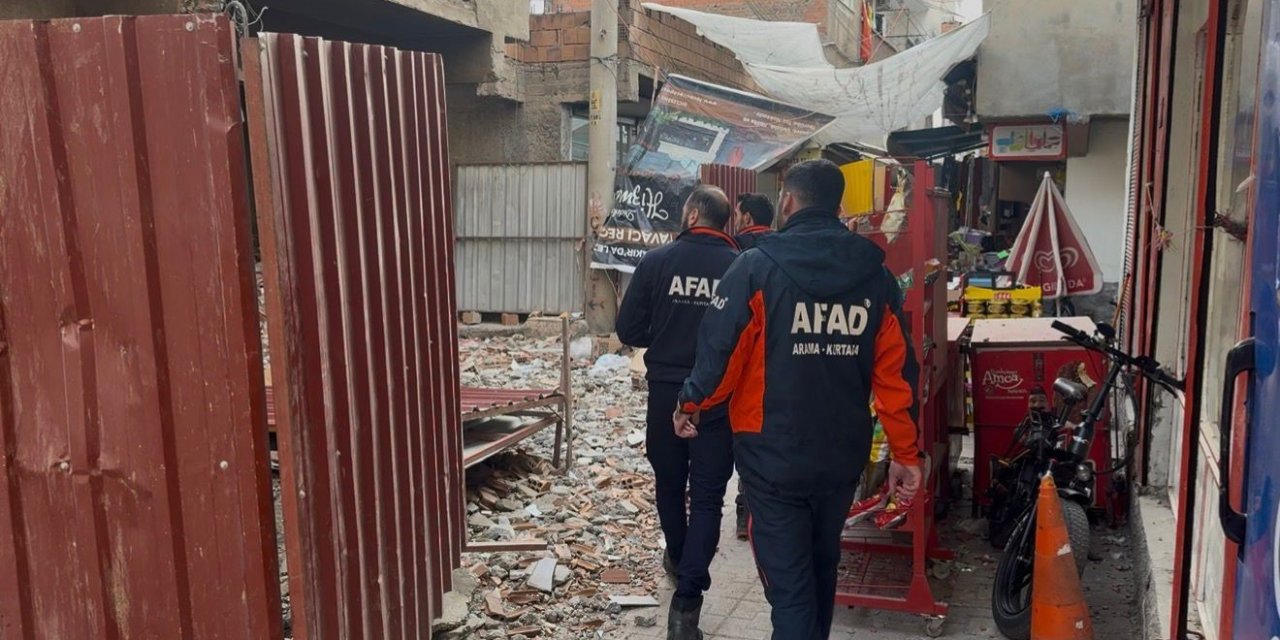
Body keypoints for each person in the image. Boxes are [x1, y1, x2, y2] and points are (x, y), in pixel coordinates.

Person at [673, 160, 924, 640]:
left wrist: (691, 404)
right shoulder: (875, 278)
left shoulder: (755, 268)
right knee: (822, 569)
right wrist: (906, 454)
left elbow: (721, 357)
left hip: (773, 459)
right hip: (840, 457)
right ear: (839, 206)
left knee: (790, 591)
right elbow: (897, 378)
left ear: (787, 201)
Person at [615, 185, 740, 640]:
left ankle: (679, 556)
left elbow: (628, 328)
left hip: (666, 390)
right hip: (718, 398)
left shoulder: (656, 262)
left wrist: (667, 334)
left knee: (669, 484)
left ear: (691, 215)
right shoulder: (740, 266)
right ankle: (686, 604)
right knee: (707, 498)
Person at [728, 192, 775, 540]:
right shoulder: (782, 252)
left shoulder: (735, 251)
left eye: (738, 214)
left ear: (746, 218)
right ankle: (758, 509)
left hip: (739, 362)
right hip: (776, 362)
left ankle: (745, 510)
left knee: (742, 435)